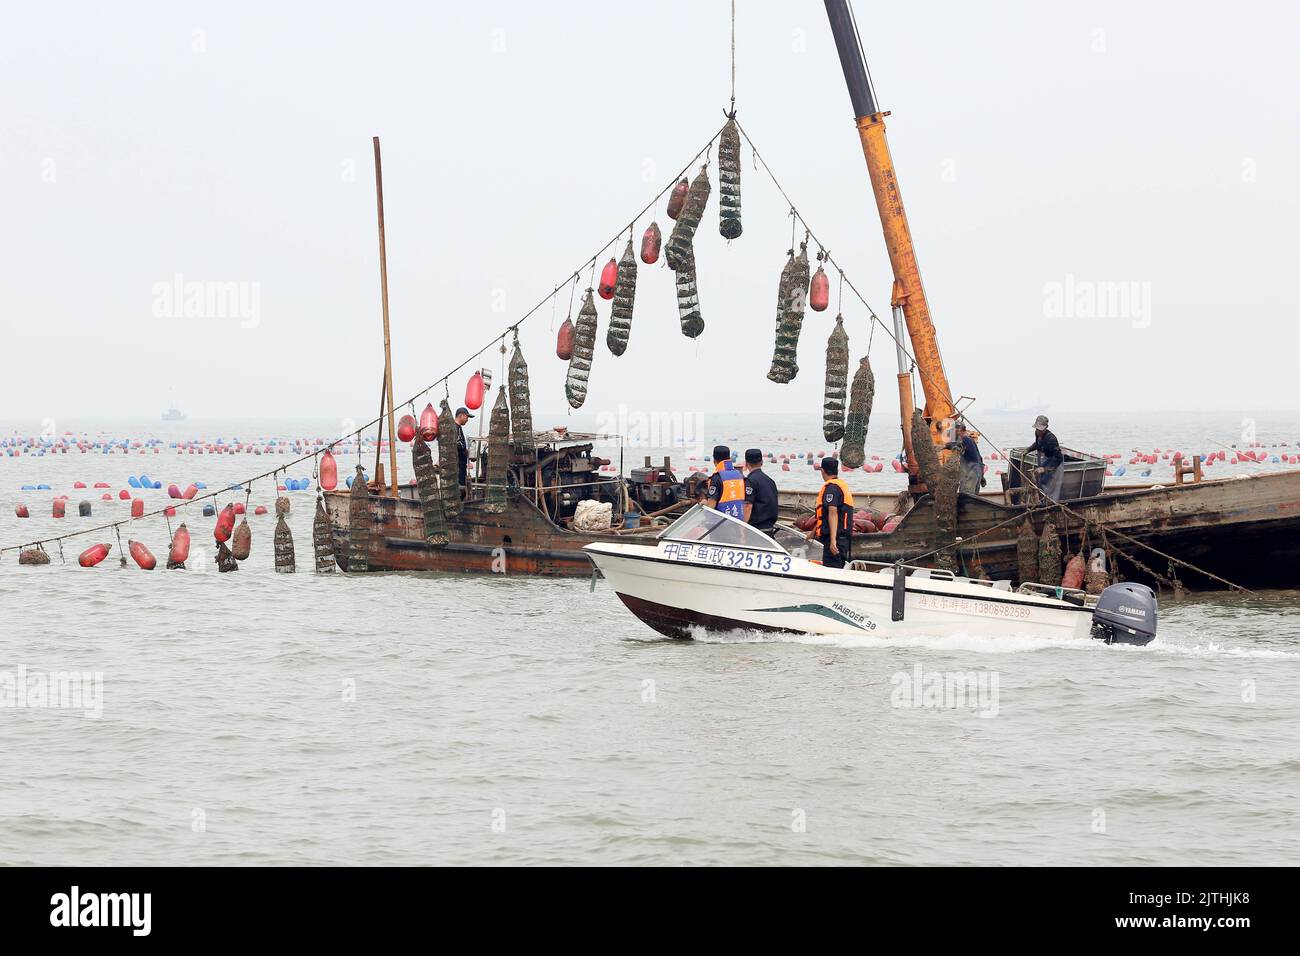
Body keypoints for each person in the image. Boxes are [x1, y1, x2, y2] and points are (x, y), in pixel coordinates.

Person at [805, 456, 854, 569]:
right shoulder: (840, 485)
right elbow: (825, 515)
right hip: (842, 539)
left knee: (833, 571)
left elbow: (833, 513)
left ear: (822, 471)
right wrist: (813, 532)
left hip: (836, 540)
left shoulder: (831, 488)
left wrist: (833, 541)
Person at [1026, 414, 1064, 500]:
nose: (1038, 431)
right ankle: (1042, 499)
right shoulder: (1037, 433)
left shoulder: (1051, 438)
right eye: (1037, 429)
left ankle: (1051, 503)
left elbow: (1058, 458)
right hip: (1045, 459)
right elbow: (1037, 444)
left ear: (1046, 427)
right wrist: (1028, 450)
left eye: (1040, 429)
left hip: (1055, 462)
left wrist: (1045, 469)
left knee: (1052, 485)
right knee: (1042, 480)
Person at [742, 448, 778, 534]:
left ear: (746, 464)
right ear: (762, 462)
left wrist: (742, 528)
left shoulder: (750, 481)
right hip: (769, 527)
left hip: (756, 530)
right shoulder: (770, 481)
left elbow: (747, 506)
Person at [704, 444, 746, 520]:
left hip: (721, 525)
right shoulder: (739, 475)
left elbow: (711, 505)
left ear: (714, 460)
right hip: (738, 523)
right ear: (729, 458)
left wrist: (704, 506)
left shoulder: (717, 477)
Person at [952, 422, 984, 496]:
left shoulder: (964, 440)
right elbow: (980, 458)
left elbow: (953, 446)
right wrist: (982, 476)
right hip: (977, 473)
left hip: (970, 475)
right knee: (974, 498)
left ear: (958, 431)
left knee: (966, 497)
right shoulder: (970, 440)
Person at [455, 406, 474, 498]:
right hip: (458, 464)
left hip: (461, 464)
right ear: (461, 416)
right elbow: (457, 444)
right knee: (460, 484)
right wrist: (465, 450)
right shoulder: (456, 427)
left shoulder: (458, 427)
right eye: (467, 417)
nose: (467, 420)